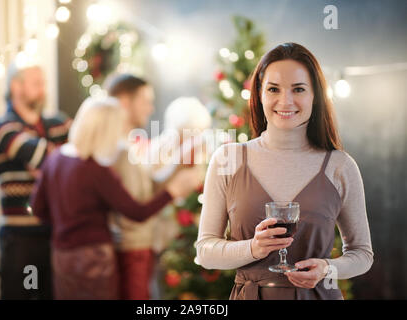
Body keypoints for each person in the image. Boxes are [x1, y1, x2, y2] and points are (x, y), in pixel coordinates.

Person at [195, 42, 374, 300]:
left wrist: (327, 268)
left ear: (316, 95)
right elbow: (205, 252)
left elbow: (362, 254)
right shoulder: (228, 159)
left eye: (298, 89)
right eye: (273, 89)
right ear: (260, 94)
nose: (285, 101)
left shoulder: (340, 166)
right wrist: (253, 248)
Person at [30, 96, 202, 300]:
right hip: (95, 257)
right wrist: (172, 192)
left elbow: (37, 208)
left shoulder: (55, 158)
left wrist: (64, 227)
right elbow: (137, 213)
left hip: (61, 254)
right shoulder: (96, 169)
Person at [0, 63, 71, 299]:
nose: (43, 90)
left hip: (54, 233)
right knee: (21, 295)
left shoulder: (59, 123)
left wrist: (46, 165)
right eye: (36, 84)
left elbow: (78, 160)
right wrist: (56, 160)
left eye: (43, 83)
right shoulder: (1, 128)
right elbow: (46, 156)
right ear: (16, 86)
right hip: (21, 238)